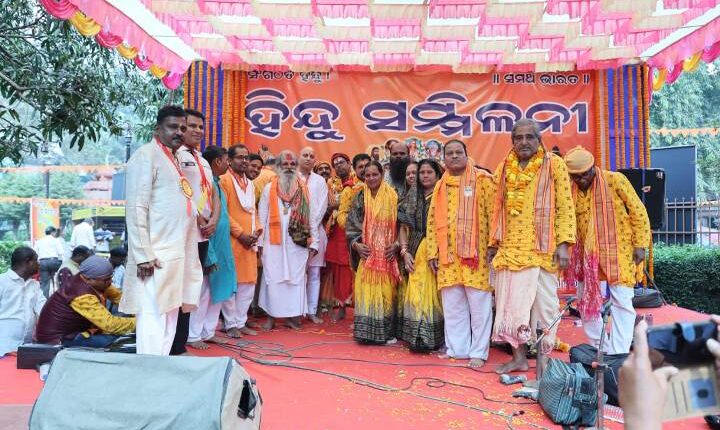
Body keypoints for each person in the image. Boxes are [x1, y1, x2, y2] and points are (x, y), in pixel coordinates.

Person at [489, 118, 576, 375]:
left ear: (539, 140)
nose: (524, 142)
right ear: (512, 141)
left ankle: (544, 362)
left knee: (545, 308)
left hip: (542, 248)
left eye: (530, 137)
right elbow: (496, 207)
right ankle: (518, 359)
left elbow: (565, 206)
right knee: (511, 308)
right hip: (511, 249)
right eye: (519, 137)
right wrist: (493, 242)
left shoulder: (554, 164)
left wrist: (564, 244)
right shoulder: (504, 167)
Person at [120, 105, 203, 356]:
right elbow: (136, 208)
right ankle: (148, 369)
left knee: (170, 315)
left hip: (178, 251)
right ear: (158, 129)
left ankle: (162, 365)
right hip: (155, 255)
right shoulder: (146, 156)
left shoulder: (175, 158)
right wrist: (143, 254)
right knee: (153, 317)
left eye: (183, 128)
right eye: (173, 127)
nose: (179, 132)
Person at [563, 146, 651, 354]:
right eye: (576, 176)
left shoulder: (615, 180)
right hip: (587, 256)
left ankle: (618, 353)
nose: (581, 180)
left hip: (618, 251)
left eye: (585, 174)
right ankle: (602, 349)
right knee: (586, 303)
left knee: (622, 302)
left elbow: (638, 212)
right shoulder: (569, 189)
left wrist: (640, 245)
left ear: (593, 167)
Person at [425, 141, 496, 367]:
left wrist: (494, 245)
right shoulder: (440, 185)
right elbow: (432, 222)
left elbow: (494, 215)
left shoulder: (483, 180)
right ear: (444, 158)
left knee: (479, 306)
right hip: (448, 256)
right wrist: (432, 252)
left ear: (467, 155)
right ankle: (458, 349)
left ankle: (479, 352)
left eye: (458, 152)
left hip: (477, 255)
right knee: (453, 306)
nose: (454, 156)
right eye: (450, 153)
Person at [173, 108, 219, 355]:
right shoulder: (176, 156)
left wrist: (214, 218)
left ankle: (183, 341)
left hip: (203, 233)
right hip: (185, 232)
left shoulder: (202, 160)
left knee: (194, 287)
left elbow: (212, 193)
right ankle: (177, 343)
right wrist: (199, 216)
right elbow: (180, 191)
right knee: (180, 289)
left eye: (201, 127)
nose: (198, 131)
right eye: (192, 126)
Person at [187, 145, 237, 349]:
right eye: (227, 160)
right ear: (217, 162)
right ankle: (193, 335)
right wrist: (210, 252)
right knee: (203, 292)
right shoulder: (206, 186)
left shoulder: (217, 183)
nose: (228, 164)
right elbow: (200, 215)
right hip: (209, 244)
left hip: (222, 244)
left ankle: (208, 332)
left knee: (218, 291)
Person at [346, 161, 400, 344]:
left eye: (374, 174)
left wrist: (398, 244)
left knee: (386, 294)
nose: (370, 178)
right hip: (367, 255)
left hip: (387, 255)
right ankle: (366, 334)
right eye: (367, 175)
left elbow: (402, 224)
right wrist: (356, 245)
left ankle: (385, 334)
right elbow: (351, 225)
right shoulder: (360, 197)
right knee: (366, 291)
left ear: (382, 174)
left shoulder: (393, 195)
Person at [257, 150, 312, 331]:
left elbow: (311, 216)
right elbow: (262, 216)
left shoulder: (303, 188)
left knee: (295, 279)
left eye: (292, 164)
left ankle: (291, 317)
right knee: (273, 278)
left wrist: (313, 241)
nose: (288, 167)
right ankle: (271, 317)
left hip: (297, 242)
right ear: (278, 167)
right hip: (273, 243)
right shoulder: (269, 188)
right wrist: (260, 242)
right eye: (285, 164)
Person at [36, 256, 135, 348]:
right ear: (88, 279)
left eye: (111, 277)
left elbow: (121, 298)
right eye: (106, 279)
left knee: (120, 334)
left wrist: (137, 313)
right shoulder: (81, 295)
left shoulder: (95, 280)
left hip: (75, 333)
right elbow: (110, 325)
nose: (110, 282)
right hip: (57, 341)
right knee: (114, 342)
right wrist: (139, 322)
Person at [397, 159, 444, 351]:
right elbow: (403, 227)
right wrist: (404, 251)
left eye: (429, 172)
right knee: (417, 290)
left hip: (438, 250)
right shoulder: (412, 196)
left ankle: (431, 337)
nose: (424, 176)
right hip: (415, 250)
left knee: (433, 292)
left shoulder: (443, 195)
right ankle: (417, 337)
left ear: (437, 175)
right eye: (421, 172)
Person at [219, 144, 260, 338]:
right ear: (230, 160)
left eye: (246, 157)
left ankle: (241, 321)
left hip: (249, 241)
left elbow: (253, 211)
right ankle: (230, 324)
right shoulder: (224, 181)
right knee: (231, 283)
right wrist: (240, 234)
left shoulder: (250, 183)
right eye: (239, 157)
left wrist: (257, 231)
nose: (244, 161)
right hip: (232, 239)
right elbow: (223, 213)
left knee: (248, 283)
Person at [332, 153, 370, 321]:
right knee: (349, 272)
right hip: (355, 238)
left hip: (377, 239)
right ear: (355, 169)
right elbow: (342, 215)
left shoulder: (383, 188)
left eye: (367, 166)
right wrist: (355, 228)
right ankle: (347, 308)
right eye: (360, 167)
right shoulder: (350, 189)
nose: (364, 170)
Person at [298, 147, 329, 324]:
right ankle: (297, 310)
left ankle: (311, 310)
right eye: (305, 155)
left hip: (317, 231)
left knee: (315, 273)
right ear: (299, 158)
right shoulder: (292, 178)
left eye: (311, 156)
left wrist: (311, 227)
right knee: (298, 273)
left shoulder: (320, 180)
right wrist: (301, 228)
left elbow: (323, 205)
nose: (308, 158)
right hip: (295, 233)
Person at [0, 247, 44, 357]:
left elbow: (44, 309)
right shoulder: (2, 281)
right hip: (4, 348)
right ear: (28, 262)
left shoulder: (34, 285)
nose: (39, 264)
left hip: (27, 347)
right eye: (36, 260)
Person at [34, 226, 64, 297]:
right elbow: (61, 252)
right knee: (59, 278)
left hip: (43, 263)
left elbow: (35, 252)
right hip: (54, 262)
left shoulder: (39, 241)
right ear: (53, 232)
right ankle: (58, 292)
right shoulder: (56, 240)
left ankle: (44, 300)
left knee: (44, 283)